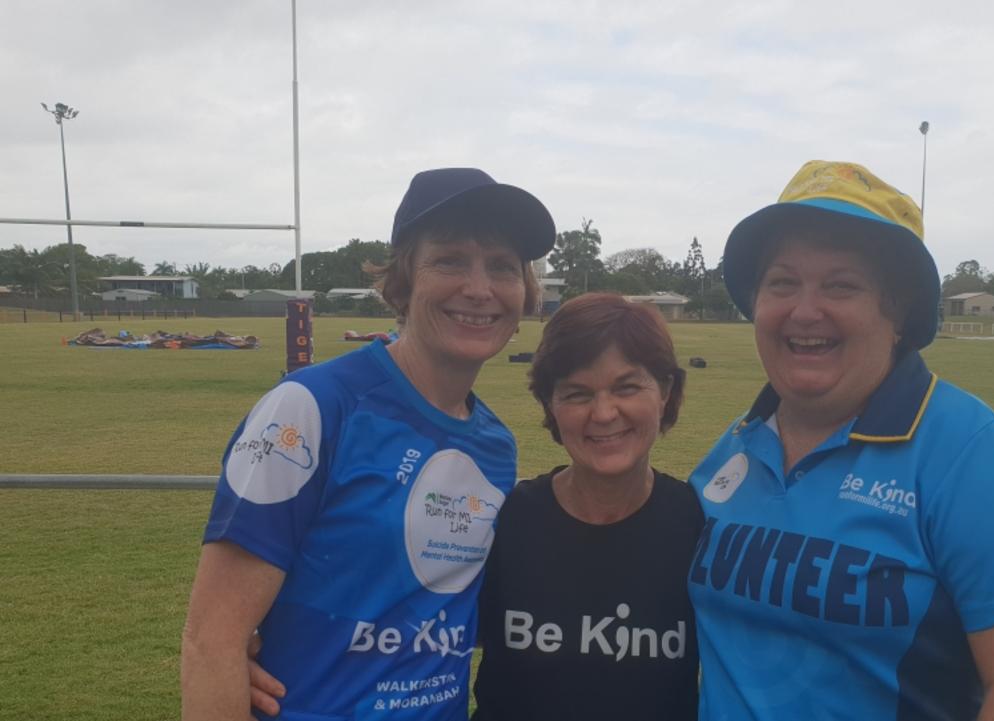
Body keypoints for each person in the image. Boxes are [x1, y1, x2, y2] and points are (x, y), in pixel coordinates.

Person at [686, 161, 994, 721]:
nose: (805, 311)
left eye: (841, 285)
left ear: (896, 310)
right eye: (782, 282)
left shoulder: (972, 451)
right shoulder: (734, 446)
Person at [181, 167, 554, 721]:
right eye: (450, 259)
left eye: (502, 266)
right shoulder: (311, 407)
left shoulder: (495, 445)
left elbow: (437, 616)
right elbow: (211, 640)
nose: (479, 288)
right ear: (402, 280)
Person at [471, 292, 703, 721]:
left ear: (666, 391)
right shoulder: (505, 521)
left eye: (627, 387)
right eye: (577, 394)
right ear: (550, 405)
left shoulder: (698, 526)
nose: (603, 413)